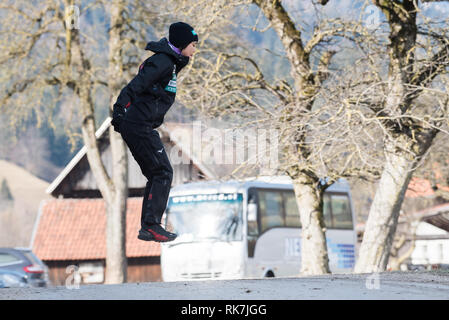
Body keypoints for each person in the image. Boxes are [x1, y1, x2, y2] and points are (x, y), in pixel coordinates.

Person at [111, 22, 198, 242]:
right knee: (163, 172)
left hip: (142, 125)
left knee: (157, 173)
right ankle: (151, 226)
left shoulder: (172, 62)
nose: (195, 50)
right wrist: (120, 109)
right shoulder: (162, 62)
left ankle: (148, 226)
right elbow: (136, 85)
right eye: (193, 45)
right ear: (181, 44)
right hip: (137, 124)